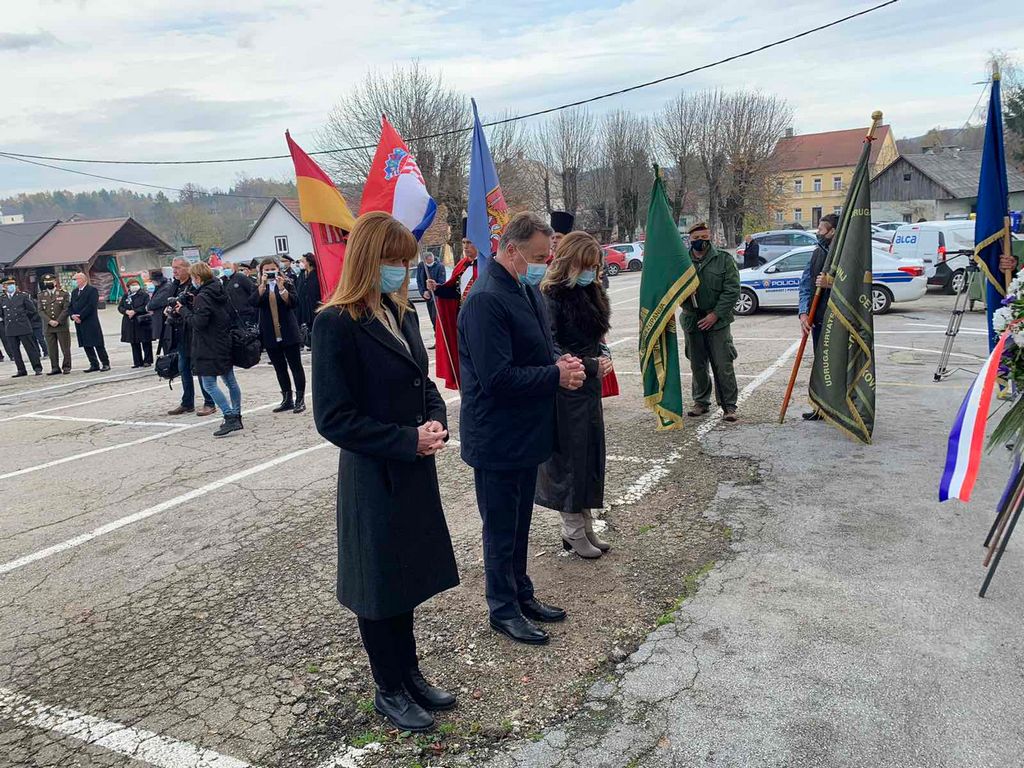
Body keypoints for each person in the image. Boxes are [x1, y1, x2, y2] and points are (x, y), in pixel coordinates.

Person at [312, 211, 458, 733]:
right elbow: (333, 417)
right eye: (392, 260)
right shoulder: (336, 322)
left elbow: (423, 383)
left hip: (413, 469)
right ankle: (388, 687)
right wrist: (404, 440)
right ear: (368, 259)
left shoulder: (403, 313)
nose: (401, 269)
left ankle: (410, 674)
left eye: (405, 261)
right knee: (378, 588)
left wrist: (436, 422)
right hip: (373, 477)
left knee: (407, 577)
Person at [459, 211, 586, 646]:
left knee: (519, 524)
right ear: (511, 250)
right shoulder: (486, 298)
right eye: (538, 257)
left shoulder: (524, 287)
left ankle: (521, 594)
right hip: (497, 436)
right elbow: (496, 379)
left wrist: (558, 360)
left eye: (547, 256)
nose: (544, 264)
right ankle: (502, 608)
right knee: (500, 529)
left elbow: (538, 347)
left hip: (525, 431)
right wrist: (555, 376)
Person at [536, 232, 613, 559]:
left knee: (589, 455)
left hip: (589, 387)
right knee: (568, 459)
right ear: (570, 262)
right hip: (566, 388)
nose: (592, 272)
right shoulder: (551, 297)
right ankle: (572, 529)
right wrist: (591, 364)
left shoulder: (591, 290)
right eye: (587, 265)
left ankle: (585, 524)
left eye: (595, 266)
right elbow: (550, 347)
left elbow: (597, 336)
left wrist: (604, 354)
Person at [679, 222, 741, 422]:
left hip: (717, 321)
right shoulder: (681, 261)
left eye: (704, 237)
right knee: (697, 364)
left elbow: (732, 289)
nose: (700, 242)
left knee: (723, 364)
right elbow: (671, 288)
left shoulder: (723, 259)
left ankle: (728, 406)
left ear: (711, 237)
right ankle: (701, 402)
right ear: (689, 240)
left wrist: (715, 314)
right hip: (692, 319)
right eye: (696, 238)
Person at [181, 262, 242, 437]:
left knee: (209, 384)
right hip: (223, 340)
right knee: (230, 381)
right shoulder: (219, 290)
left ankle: (229, 416)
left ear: (198, 278)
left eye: (193, 278)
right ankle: (237, 413)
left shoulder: (203, 296)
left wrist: (184, 311)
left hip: (208, 345)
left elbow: (199, 323)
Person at [161, 258, 216, 416]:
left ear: (187, 268)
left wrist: (182, 309)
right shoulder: (174, 286)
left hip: (194, 331)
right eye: (173, 268)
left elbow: (198, 309)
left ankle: (209, 402)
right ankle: (187, 402)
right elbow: (170, 304)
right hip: (180, 332)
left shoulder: (194, 286)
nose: (175, 271)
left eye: (178, 267)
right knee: (183, 368)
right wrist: (169, 310)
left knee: (199, 369)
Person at [250, 258, 306, 414]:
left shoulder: (287, 283)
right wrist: (262, 286)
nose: (270, 272)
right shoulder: (258, 286)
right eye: (266, 270)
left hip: (288, 331)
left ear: (278, 269)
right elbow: (253, 302)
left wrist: (281, 288)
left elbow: (294, 302)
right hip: (270, 333)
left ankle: (300, 399)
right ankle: (287, 398)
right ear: (261, 271)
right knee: (279, 368)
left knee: (295, 366)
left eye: (272, 269)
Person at [798, 213, 839, 422]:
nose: (818, 233)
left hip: (840, 321)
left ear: (833, 231)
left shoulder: (844, 254)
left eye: (821, 230)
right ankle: (821, 407)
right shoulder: (817, 253)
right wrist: (804, 313)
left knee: (838, 364)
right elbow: (806, 283)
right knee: (821, 364)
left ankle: (840, 409)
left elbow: (856, 286)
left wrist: (831, 283)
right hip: (819, 319)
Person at [434, 217, 479, 390]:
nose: (466, 247)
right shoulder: (462, 265)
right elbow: (454, 292)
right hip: (462, 322)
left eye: (470, 242)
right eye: (464, 242)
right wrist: (437, 289)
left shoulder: (487, 265)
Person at [1, 279, 43, 377]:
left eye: (12, 284)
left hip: (23, 326)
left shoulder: (22, 296)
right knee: (15, 351)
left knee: (30, 349)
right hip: (10, 328)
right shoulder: (2, 299)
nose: (10, 286)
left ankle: (37, 368)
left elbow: (32, 311)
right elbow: (2, 313)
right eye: (8, 285)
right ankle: (21, 369)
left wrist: (23, 318)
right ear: (4, 287)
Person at [69, 272, 110, 373]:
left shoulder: (92, 290)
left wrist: (80, 316)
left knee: (97, 343)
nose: (74, 281)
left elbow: (91, 305)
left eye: (76, 279)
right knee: (86, 344)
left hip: (90, 321)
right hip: (79, 322)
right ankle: (94, 363)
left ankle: (105, 363)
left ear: (83, 279)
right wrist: (72, 315)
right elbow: (70, 306)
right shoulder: (74, 292)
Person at [36, 274, 72, 375]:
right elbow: (40, 310)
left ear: (55, 282)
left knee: (65, 348)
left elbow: (66, 309)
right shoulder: (41, 295)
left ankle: (66, 366)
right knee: (51, 349)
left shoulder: (63, 294)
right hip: (48, 326)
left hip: (61, 325)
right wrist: (49, 321)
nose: (49, 283)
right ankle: (55, 367)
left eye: (51, 281)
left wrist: (58, 321)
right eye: (47, 282)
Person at [118, 278, 153, 368]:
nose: (134, 286)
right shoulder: (126, 296)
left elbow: (146, 305)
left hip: (141, 320)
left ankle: (147, 360)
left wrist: (135, 311)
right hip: (129, 322)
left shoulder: (144, 295)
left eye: (136, 284)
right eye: (132, 285)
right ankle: (137, 362)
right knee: (134, 342)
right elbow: (120, 307)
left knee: (145, 341)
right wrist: (126, 311)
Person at [415, 250, 446, 343]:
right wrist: (423, 292)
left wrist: (434, 286)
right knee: (432, 319)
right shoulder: (421, 266)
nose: (429, 262)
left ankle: (441, 340)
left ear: (432, 258)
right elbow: (419, 281)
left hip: (436, 296)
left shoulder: (439, 266)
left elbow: (442, 281)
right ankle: (437, 340)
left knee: (436, 318)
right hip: (428, 297)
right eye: (427, 261)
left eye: (431, 260)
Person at [220, 261, 257, 328]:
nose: (226, 270)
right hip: (231, 316)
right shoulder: (222, 281)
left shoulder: (241, 277)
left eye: (228, 268)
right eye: (224, 269)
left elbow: (253, 292)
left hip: (245, 314)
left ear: (233, 268)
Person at [297, 252, 321, 349]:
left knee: (316, 324)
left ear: (309, 262)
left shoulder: (316, 274)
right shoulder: (303, 274)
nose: (301, 263)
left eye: (303, 261)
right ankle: (312, 342)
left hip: (315, 305)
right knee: (309, 325)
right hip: (306, 306)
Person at [148, 269, 174, 354]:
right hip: (161, 320)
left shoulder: (166, 287)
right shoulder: (161, 286)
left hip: (164, 320)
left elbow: (156, 302)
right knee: (165, 345)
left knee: (168, 346)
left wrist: (148, 307)